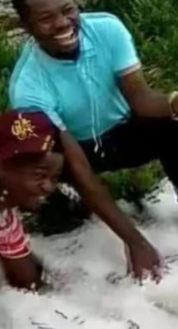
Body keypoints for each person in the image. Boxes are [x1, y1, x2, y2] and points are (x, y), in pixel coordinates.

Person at [9, 0, 178, 239]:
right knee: (46, 160)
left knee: (172, 132)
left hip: (121, 129)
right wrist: (135, 242)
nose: (62, 23)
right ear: (26, 26)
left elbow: (140, 99)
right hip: (76, 150)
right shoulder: (28, 86)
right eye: (46, 18)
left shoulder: (107, 29)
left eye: (68, 10)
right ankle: (62, 204)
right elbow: (79, 165)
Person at [0, 109, 161, 290]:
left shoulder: (6, 218)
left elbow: (26, 283)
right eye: (39, 175)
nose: (48, 188)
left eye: (54, 178)